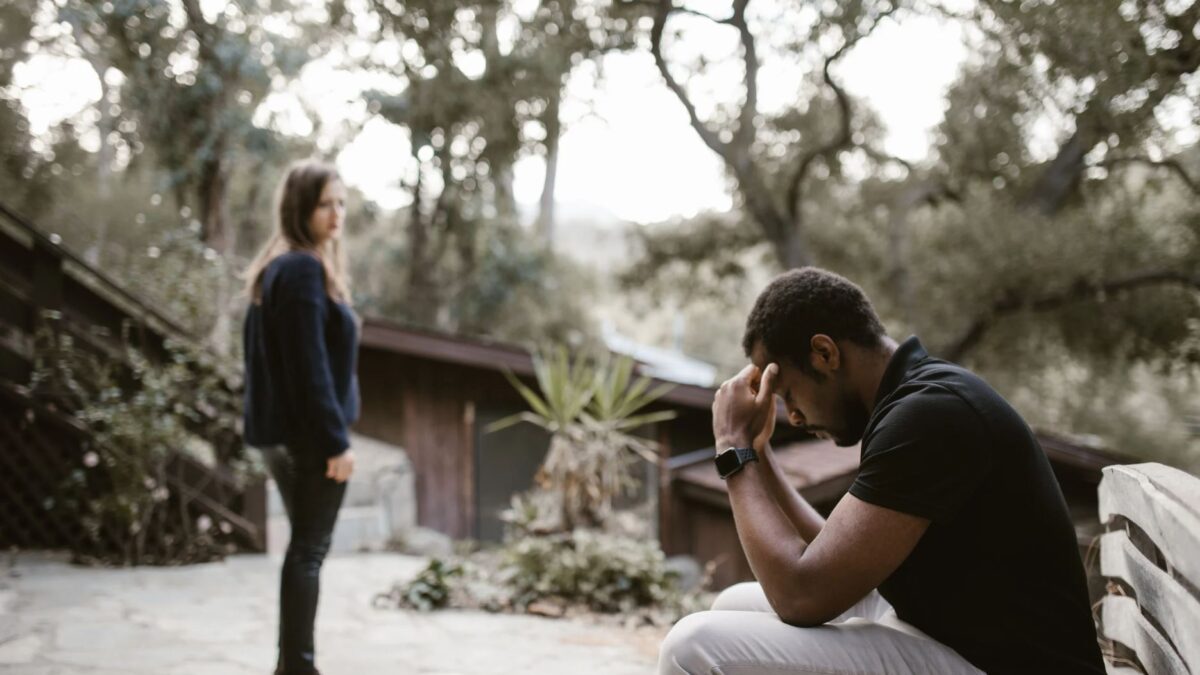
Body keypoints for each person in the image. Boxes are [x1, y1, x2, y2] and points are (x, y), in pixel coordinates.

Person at [659, 267, 1105, 675]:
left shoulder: (929, 415)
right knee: (733, 603)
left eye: (790, 394)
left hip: (1001, 664)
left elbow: (801, 596)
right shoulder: (914, 399)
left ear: (824, 353)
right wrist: (759, 452)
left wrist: (732, 450)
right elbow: (831, 557)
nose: (792, 417)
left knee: (693, 646)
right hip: (952, 636)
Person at [242, 160, 360, 675]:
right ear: (300, 209)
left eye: (341, 203)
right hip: (308, 440)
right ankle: (299, 668)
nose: (337, 215)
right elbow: (308, 367)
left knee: (303, 548)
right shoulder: (302, 270)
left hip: (285, 437)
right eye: (324, 204)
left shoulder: (281, 267)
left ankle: (290, 665)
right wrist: (336, 442)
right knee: (309, 551)